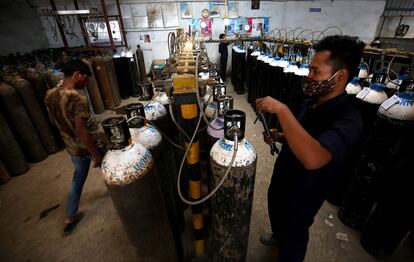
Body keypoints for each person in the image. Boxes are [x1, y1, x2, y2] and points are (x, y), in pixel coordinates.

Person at [256, 35, 365, 261]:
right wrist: (280, 136)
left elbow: (315, 157)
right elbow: (302, 135)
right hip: (285, 170)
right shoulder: (313, 100)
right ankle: (278, 235)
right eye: (310, 70)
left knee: (294, 231)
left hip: (306, 188)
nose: (309, 76)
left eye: (316, 71)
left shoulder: (350, 120)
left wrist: (282, 111)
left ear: (341, 76)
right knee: (276, 206)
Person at [45, 59, 102, 235]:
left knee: (77, 180)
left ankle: (70, 216)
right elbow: (82, 130)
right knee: (111, 165)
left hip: (71, 148)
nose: (86, 83)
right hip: (85, 147)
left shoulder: (50, 94)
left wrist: (67, 133)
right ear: (77, 75)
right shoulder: (77, 98)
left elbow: (52, 121)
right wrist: (95, 154)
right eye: (85, 78)